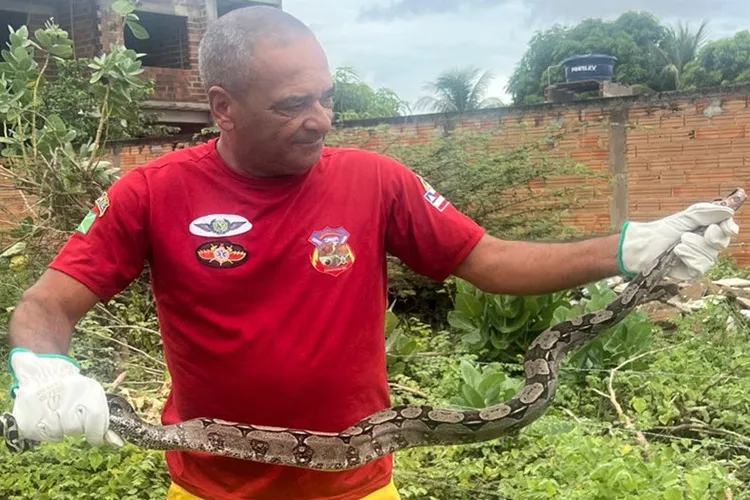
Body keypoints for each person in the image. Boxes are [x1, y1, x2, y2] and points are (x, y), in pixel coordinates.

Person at [5, 6, 739, 500]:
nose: (319, 119)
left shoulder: (376, 181)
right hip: (207, 488)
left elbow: (490, 260)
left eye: (325, 97)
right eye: (292, 105)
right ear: (222, 106)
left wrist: (626, 247)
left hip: (357, 485)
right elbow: (46, 305)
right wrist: (47, 370)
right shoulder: (152, 192)